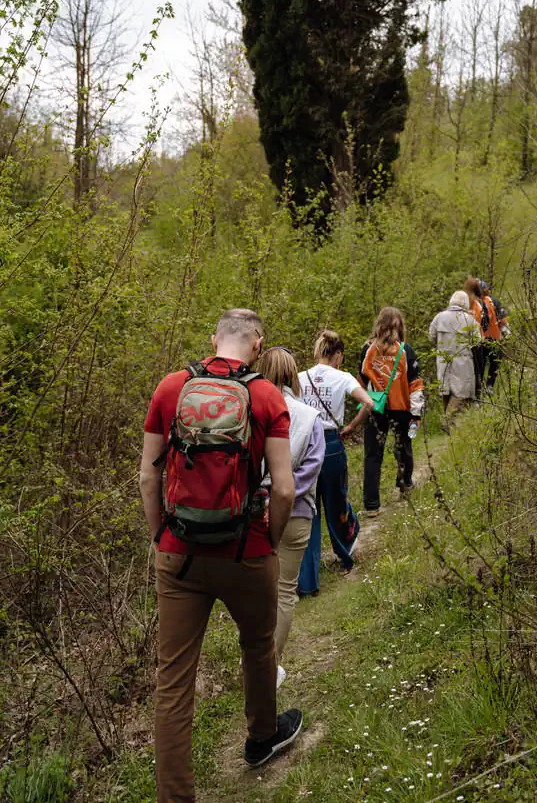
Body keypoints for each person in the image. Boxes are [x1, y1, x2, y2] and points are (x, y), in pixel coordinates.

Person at [139, 309, 302, 802]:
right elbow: (286, 492)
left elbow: (148, 478)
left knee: (173, 681)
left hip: (177, 553)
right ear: (257, 345)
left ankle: (175, 797)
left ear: (214, 339)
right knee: (257, 645)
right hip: (245, 548)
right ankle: (261, 736)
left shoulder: (171, 388)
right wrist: (267, 544)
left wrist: (160, 539)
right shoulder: (267, 395)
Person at [259, 345, 325, 689]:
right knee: (285, 591)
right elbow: (312, 468)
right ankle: (269, 667)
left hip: (254, 512)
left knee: (257, 591)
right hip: (296, 513)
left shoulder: (249, 412)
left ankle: (254, 656)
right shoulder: (309, 417)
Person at [296, 329, 374, 596]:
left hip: (304, 447)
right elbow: (369, 402)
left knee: (308, 509)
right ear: (338, 355)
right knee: (336, 502)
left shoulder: (299, 378)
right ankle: (345, 554)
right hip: (330, 444)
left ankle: (307, 581)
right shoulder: (343, 377)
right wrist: (352, 424)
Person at [359, 306, 425, 515]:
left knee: (372, 455)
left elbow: (361, 382)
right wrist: (416, 413)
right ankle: (405, 485)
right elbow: (415, 385)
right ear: (400, 327)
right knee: (403, 447)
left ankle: (371, 505)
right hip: (401, 409)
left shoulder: (367, 350)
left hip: (375, 407)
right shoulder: (406, 350)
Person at [428, 290, 481, 425]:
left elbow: (431, 336)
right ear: (465, 303)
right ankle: (447, 422)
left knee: (446, 391)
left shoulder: (439, 317)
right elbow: (477, 340)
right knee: (461, 393)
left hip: (443, 359)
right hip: (462, 361)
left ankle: (450, 426)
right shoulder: (469, 320)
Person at [477, 279, 508, 394]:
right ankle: (490, 386)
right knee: (495, 362)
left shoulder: (471, 304)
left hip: (478, 339)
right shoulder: (493, 302)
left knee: (479, 366)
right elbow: (503, 320)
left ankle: (479, 389)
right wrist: (507, 334)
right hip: (494, 337)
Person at [463, 278, 493, 397]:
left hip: (465, 341)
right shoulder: (480, 303)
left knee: (471, 370)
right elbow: (486, 323)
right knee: (478, 370)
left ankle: (471, 395)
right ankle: (477, 396)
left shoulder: (465, 303)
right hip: (478, 340)